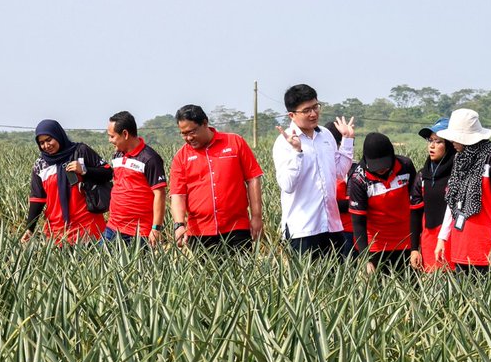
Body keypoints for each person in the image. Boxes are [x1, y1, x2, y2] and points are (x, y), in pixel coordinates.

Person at [272, 84, 356, 259]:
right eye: (307, 110)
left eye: (316, 107)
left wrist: (347, 141)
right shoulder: (284, 143)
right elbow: (287, 185)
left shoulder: (326, 135)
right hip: (303, 229)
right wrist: (297, 152)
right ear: (292, 115)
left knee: (337, 284)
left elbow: (339, 173)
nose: (313, 114)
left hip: (332, 226)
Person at [169, 104, 264, 250]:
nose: (188, 138)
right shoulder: (181, 157)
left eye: (192, 132)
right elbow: (178, 195)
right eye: (183, 133)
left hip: (237, 228)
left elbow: (253, 179)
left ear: (205, 123)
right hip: (200, 232)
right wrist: (179, 225)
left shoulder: (235, 143)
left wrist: (257, 217)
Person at [433, 109, 491, 274]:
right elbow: (452, 200)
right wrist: (442, 237)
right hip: (461, 245)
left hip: (486, 247)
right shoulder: (459, 158)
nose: (451, 141)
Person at [25, 119, 113, 246]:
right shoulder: (40, 165)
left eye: (49, 139)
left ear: (58, 135)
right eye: (42, 143)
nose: (46, 145)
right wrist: (29, 229)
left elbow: (108, 172)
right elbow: (37, 199)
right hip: (57, 232)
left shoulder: (80, 151)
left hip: (88, 227)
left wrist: (84, 170)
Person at [347, 132, 424, 273]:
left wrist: (415, 246)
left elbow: (416, 205)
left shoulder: (405, 165)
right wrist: (365, 258)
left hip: (406, 240)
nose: (381, 169)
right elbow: (358, 221)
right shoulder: (358, 178)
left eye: (385, 164)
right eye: (376, 166)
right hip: (376, 245)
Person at [106, 111, 167, 247]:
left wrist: (156, 229)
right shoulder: (117, 155)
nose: (109, 140)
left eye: (112, 136)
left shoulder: (150, 158)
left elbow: (160, 194)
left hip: (139, 232)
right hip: (113, 227)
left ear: (125, 134)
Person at [416, 117, 455, 271]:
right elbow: (416, 212)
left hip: (452, 239)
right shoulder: (423, 175)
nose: (432, 145)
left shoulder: (458, 174)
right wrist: (414, 248)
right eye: (430, 140)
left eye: (438, 141)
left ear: (450, 145)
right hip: (428, 239)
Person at [327, 122, 356, 253]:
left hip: (347, 231)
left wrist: (326, 203)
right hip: (326, 228)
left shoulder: (352, 169)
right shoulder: (323, 166)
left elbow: (353, 202)